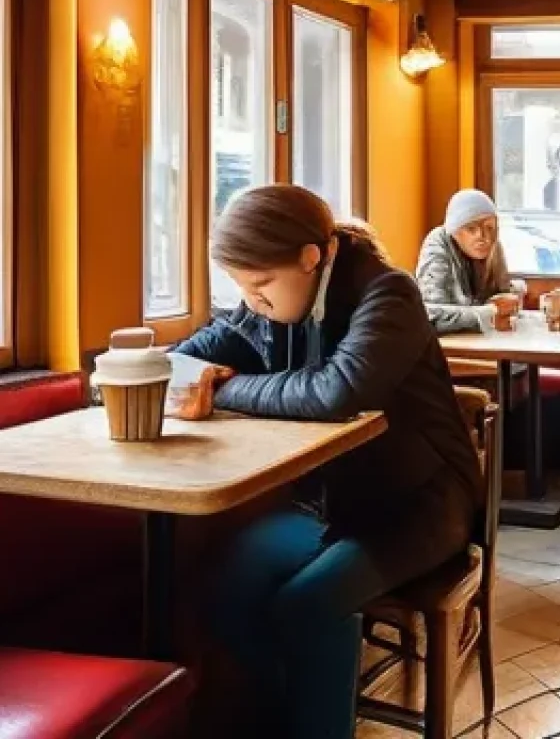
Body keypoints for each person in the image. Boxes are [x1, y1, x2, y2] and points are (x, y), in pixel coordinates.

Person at [174, 185, 482, 739]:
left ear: (310, 259)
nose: (251, 302)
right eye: (240, 287)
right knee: (226, 586)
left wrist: (223, 391)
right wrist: (141, 378)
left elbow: (334, 393)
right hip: (328, 502)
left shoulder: (388, 296)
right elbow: (186, 360)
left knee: (307, 605)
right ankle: (281, 720)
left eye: (260, 284)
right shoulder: (264, 305)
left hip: (422, 501)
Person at [416, 188, 512, 334]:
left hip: (483, 342)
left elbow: (503, 292)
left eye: (489, 227)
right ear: (454, 231)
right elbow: (429, 314)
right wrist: (487, 313)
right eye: (471, 228)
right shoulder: (438, 243)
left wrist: (510, 300)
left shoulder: (493, 245)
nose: (482, 236)